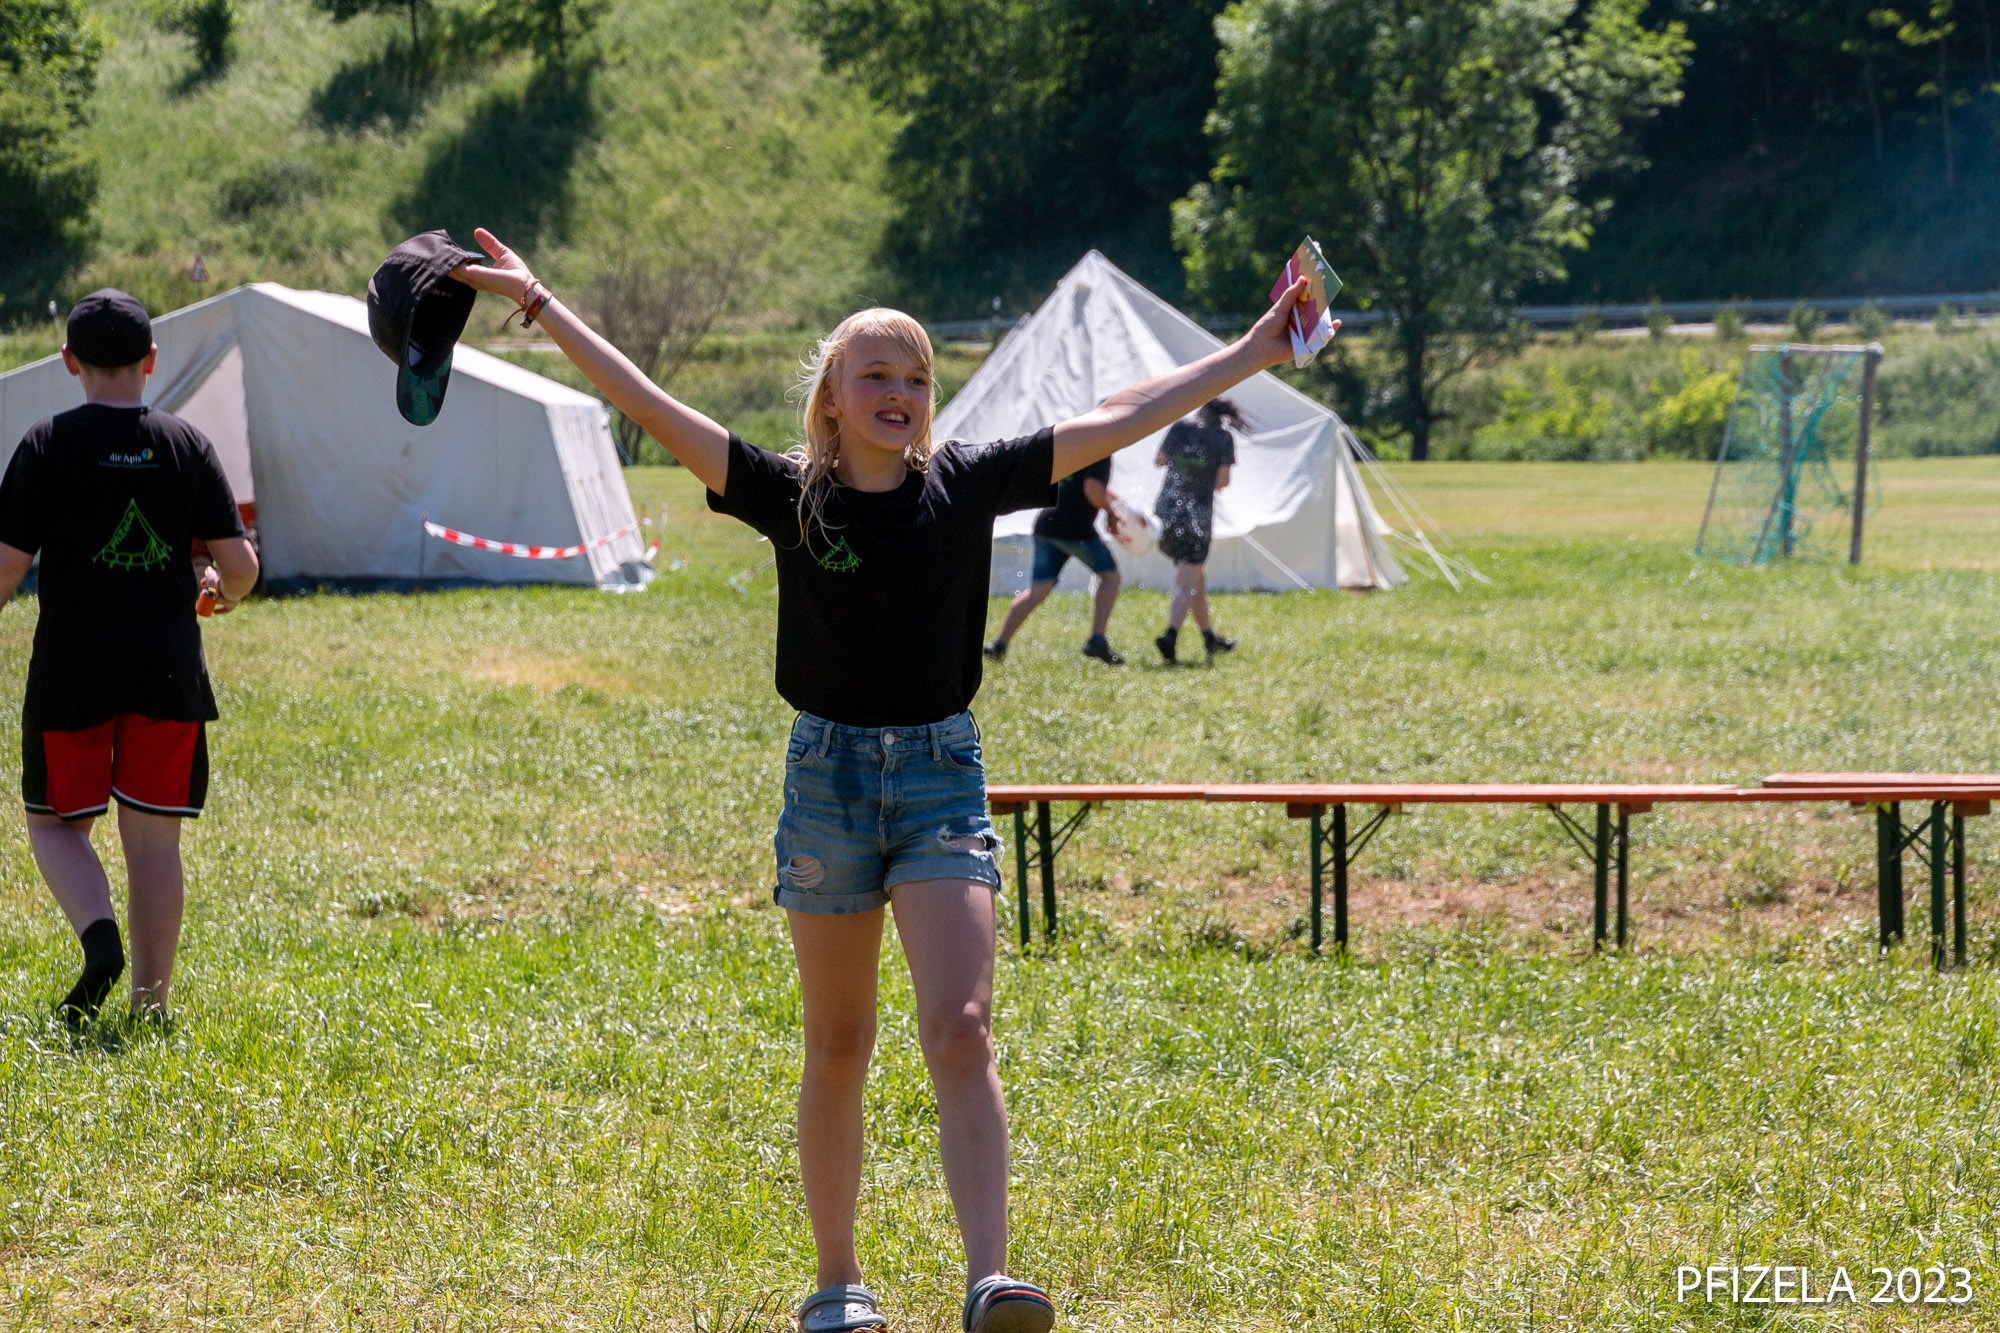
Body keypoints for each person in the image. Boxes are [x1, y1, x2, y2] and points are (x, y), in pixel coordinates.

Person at [447, 228, 1318, 1333]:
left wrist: (1251, 350)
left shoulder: (965, 483)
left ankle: (989, 1281)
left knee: (960, 1026)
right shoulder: (788, 495)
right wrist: (540, 304)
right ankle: (837, 1282)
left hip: (941, 773)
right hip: (829, 778)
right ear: (832, 397)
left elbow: (1119, 413)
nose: (899, 391)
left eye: (915, 375)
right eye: (875, 374)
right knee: (839, 1042)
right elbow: (651, 405)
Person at [0, 290, 260, 1028]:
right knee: (152, 841)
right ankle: (151, 1007)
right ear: (151, 360)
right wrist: (219, 590)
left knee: (56, 824)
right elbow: (241, 567)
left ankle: (99, 939)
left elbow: (5, 571)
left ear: (68, 361)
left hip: (72, 671)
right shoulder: (186, 444)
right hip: (168, 673)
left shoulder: (46, 443)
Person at [983, 454, 1128, 665]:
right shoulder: (1102, 451)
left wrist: (1113, 502)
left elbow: (1082, 485)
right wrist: (1111, 513)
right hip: (1075, 529)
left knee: (1038, 590)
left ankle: (999, 644)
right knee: (1110, 578)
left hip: (1047, 524)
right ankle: (1097, 640)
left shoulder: (1078, 444)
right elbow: (1092, 489)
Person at [1152, 398, 1244, 664]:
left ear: (1201, 410)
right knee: (1186, 581)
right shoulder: (1223, 439)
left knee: (1195, 578)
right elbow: (1222, 482)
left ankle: (1209, 638)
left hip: (1167, 513)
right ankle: (1170, 635)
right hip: (1197, 519)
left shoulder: (1180, 428)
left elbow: (1159, 460)